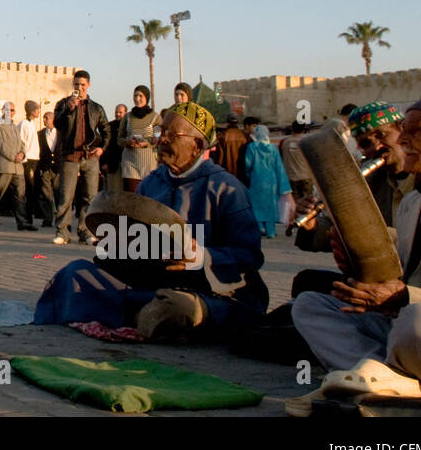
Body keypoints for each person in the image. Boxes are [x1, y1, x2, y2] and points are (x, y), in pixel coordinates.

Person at [290, 93, 421, 407]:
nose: (402, 138)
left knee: (417, 320)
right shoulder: (414, 204)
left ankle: (384, 374)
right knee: (309, 305)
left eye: (415, 131)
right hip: (410, 331)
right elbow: (402, 277)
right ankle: (395, 379)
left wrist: (405, 297)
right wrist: (360, 272)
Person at [35, 102, 267, 340]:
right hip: (151, 286)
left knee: (177, 308)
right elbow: (137, 243)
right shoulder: (152, 182)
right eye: (159, 132)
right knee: (74, 274)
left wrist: (201, 257)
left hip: (207, 292)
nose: (161, 139)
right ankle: (140, 317)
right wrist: (117, 244)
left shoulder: (226, 189)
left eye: (170, 134)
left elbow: (249, 256)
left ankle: (146, 317)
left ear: (196, 145)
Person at [52, 70, 111, 245]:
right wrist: (69, 109)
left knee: (90, 197)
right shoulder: (63, 104)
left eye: (83, 84)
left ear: (89, 85)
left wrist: (101, 148)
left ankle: (86, 232)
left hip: (91, 156)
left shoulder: (96, 108)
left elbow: (106, 130)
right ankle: (62, 232)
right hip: (70, 155)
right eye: (77, 84)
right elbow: (57, 123)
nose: (80, 87)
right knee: (66, 197)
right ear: (73, 85)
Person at [0, 101, 33, 231]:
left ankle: (22, 222)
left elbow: (22, 143)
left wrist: (22, 153)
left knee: (20, 196)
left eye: (12, 110)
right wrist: (14, 156)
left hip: (17, 167)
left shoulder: (13, 126)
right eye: (7, 110)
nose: (10, 113)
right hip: (4, 166)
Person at [243, 125, 291, 237]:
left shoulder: (252, 147)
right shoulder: (273, 149)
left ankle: (260, 227)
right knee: (270, 205)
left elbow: (248, 164)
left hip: (257, 179)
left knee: (256, 205)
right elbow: (279, 167)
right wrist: (282, 184)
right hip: (271, 181)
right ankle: (271, 231)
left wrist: (248, 174)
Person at [118, 86, 160, 193]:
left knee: (148, 195)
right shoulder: (127, 117)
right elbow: (119, 139)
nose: (137, 99)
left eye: (140, 96)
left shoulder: (155, 117)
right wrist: (127, 142)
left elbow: (159, 139)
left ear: (147, 98)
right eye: (135, 96)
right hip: (130, 161)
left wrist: (146, 143)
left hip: (149, 162)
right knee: (131, 195)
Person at [35, 110, 60, 229]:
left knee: (59, 194)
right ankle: (47, 218)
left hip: (58, 169)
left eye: (47, 118)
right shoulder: (39, 134)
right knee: (46, 194)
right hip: (45, 168)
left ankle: (61, 220)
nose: (44, 120)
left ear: (53, 120)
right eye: (44, 118)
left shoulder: (61, 134)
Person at [18, 100, 42, 222]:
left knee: (33, 190)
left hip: (35, 159)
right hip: (28, 160)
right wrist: (25, 159)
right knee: (28, 189)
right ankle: (27, 218)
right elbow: (22, 142)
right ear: (32, 111)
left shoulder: (32, 123)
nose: (39, 111)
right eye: (37, 109)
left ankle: (30, 216)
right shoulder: (24, 124)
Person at [212, 115, 250, 187]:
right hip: (241, 170)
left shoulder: (223, 135)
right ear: (237, 123)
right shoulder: (244, 135)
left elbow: (220, 156)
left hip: (228, 168)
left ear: (228, 123)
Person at [101, 103, 128, 194]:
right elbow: (105, 146)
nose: (118, 114)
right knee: (113, 192)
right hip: (113, 165)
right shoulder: (109, 127)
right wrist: (104, 163)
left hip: (127, 164)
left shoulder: (129, 127)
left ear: (125, 113)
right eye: (116, 112)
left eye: (120, 112)